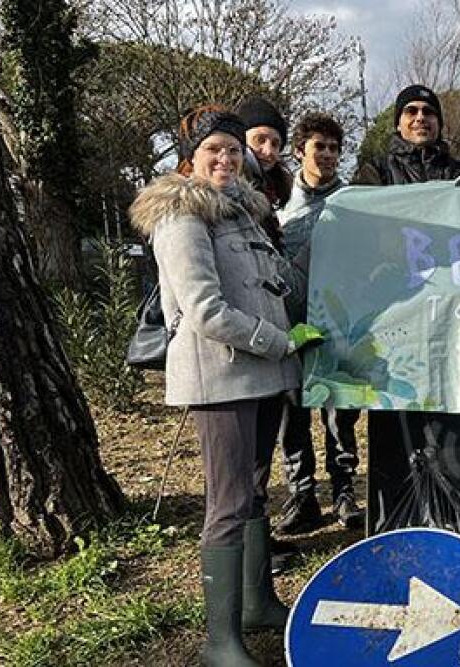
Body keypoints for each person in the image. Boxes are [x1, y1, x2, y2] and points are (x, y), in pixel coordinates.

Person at [129, 105, 322, 666]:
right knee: (228, 502)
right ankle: (220, 642)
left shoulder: (244, 212)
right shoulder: (181, 216)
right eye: (214, 149)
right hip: (221, 378)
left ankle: (257, 604)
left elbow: (272, 283)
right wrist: (279, 342)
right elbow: (205, 310)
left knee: (254, 492)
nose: (226, 159)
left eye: (234, 151)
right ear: (190, 158)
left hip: (261, 376)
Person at [352, 84, 460, 532]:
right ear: (398, 122)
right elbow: (357, 232)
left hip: (451, 321)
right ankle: (396, 526)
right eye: (410, 111)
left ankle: (458, 523)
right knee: (398, 427)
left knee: (455, 421)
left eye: (428, 111)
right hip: (396, 320)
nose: (420, 118)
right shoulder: (375, 173)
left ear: (440, 122)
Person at [273, 112, 365, 534]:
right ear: (299, 151)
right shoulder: (278, 202)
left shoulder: (352, 202)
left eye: (333, 148)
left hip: (339, 323)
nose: (327, 154)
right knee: (291, 414)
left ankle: (344, 491)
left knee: (340, 413)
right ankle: (303, 494)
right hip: (288, 324)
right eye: (319, 147)